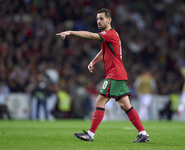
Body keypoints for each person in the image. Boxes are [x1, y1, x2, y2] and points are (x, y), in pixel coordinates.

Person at [56, 8, 150, 143]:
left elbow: (89, 35)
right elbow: (103, 50)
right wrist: (93, 61)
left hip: (115, 74)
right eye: (97, 19)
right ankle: (143, 133)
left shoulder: (110, 34)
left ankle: (90, 134)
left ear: (109, 20)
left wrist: (71, 32)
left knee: (100, 101)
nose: (98, 21)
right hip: (119, 74)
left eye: (101, 19)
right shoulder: (110, 36)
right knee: (125, 106)